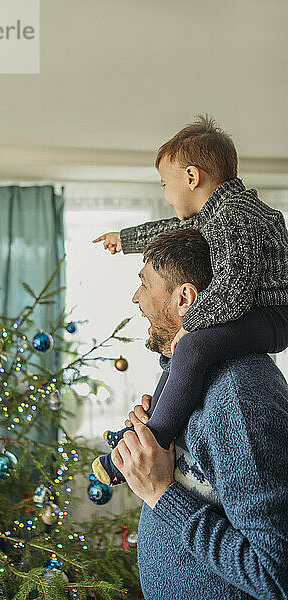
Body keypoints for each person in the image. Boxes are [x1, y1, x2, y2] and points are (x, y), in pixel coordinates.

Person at [91, 115, 288, 486]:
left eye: (165, 184)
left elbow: (235, 288)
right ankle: (144, 430)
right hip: (254, 310)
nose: (165, 193)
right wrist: (127, 239)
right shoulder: (216, 213)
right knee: (180, 351)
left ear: (192, 178)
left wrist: (191, 324)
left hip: (273, 315)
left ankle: (155, 439)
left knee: (193, 346)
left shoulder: (236, 216)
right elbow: (170, 229)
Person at [112, 228, 288, 599]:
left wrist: (162, 493)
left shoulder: (239, 396)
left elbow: (275, 573)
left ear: (184, 298)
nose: (135, 297)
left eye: (144, 283)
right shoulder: (194, 379)